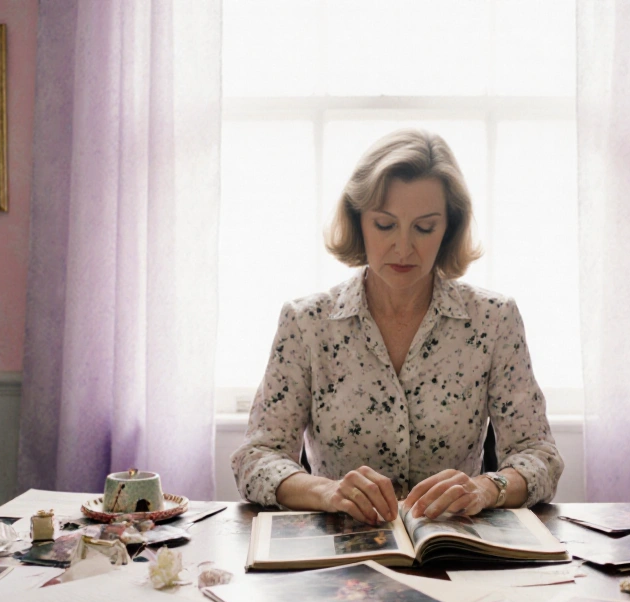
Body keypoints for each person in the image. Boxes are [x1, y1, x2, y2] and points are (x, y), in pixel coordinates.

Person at [232, 129, 562, 525]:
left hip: (454, 550)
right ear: (359, 222)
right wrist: (328, 492)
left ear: (448, 229)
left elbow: (540, 455)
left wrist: (486, 488)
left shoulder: (494, 320)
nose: (403, 248)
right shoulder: (307, 323)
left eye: (424, 228)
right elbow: (255, 458)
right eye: (385, 225)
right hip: (338, 556)